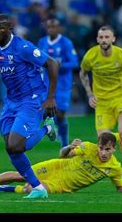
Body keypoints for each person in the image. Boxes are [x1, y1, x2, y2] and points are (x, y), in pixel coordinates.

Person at [0, 14, 59, 199]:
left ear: (9, 29)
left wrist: (50, 98)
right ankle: (38, 188)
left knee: (16, 146)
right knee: (10, 147)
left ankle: (48, 127)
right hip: (11, 101)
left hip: (31, 99)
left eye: (0, 28)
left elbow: (52, 64)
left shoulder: (23, 47)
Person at [0, 132, 122, 194]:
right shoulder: (87, 147)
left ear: (114, 149)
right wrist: (68, 147)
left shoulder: (114, 168)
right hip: (57, 166)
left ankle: (12, 190)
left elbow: (121, 188)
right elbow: (63, 155)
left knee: (34, 190)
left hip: (62, 186)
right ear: (97, 145)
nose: (103, 153)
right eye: (101, 148)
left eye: (107, 149)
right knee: (21, 175)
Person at [79, 25, 122, 177]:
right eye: (101, 37)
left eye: (107, 37)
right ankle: (112, 166)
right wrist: (90, 94)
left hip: (121, 99)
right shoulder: (91, 56)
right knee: (103, 140)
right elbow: (83, 74)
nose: (104, 40)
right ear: (97, 39)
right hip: (102, 102)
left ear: (113, 39)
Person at [38, 18, 79, 147]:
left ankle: (64, 142)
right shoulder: (42, 42)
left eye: (54, 27)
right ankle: (52, 128)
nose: (51, 29)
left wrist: (59, 64)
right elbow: (37, 59)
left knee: (60, 113)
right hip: (46, 83)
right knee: (45, 112)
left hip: (62, 84)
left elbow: (74, 62)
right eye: (49, 27)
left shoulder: (66, 43)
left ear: (59, 28)